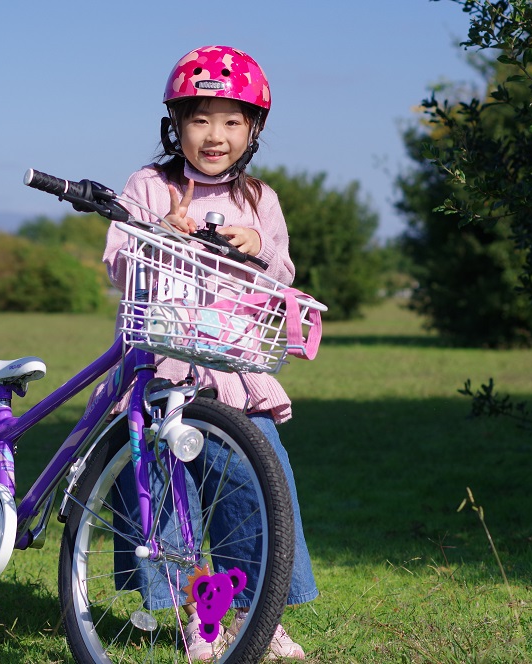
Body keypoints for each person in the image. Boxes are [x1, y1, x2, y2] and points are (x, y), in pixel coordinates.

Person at [100, 45, 316, 660]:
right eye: (199, 119)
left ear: (252, 131)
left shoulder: (260, 200)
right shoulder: (150, 184)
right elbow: (119, 261)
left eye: (230, 121)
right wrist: (158, 232)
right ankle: (197, 616)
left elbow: (282, 276)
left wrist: (259, 249)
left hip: (234, 371)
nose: (214, 135)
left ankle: (258, 610)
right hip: (163, 364)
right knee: (165, 495)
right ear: (177, 125)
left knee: (255, 484)